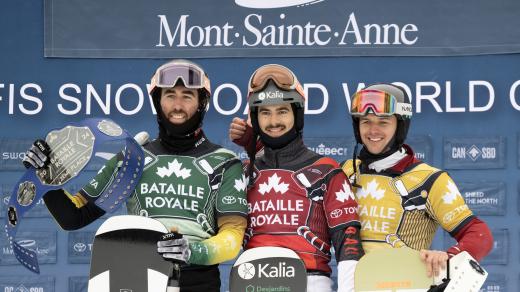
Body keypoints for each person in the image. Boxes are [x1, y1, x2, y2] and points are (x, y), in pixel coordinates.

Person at [23, 59, 248, 292]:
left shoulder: (225, 161)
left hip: (197, 283)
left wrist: (192, 251)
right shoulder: (135, 157)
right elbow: (73, 216)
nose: (178, 105)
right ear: (157, 101)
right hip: (135, 279)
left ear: (202, 103)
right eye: (170, 95)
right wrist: (45, 175)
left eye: (187, 96)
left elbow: (233, 237)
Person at [229, 64, 363, 292]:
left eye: (282, 111)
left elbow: (348, 242)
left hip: (309, 282)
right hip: (250, 282)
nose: (273, 122)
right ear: (254, 117)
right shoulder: (242, 172)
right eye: (265, 112)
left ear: (297, 113)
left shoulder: (326, 171)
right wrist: (253, 149)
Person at [342, 83, 493, 277]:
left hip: (405, 286)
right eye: (366, 122)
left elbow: (480, 235)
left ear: (400, 126)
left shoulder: (429, 179)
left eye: (383, 122)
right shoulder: (344, 171)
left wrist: (449, 258)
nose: (373, 131)